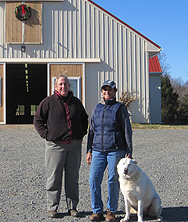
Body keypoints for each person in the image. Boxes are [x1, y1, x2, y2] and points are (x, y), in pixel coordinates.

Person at [34, 75, 88, 218]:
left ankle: (73, 207)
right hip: (55, 146)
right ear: (55, 86)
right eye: (60, 84)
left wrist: (81, 133)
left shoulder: (76, 103)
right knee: (54, 177)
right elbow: (38, 120)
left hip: (74, 146)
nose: (63, 87)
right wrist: (46, 134)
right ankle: (53, 208)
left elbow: (84, 119)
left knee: (72, 178)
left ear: (70, 86)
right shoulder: (48, 102)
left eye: (66, 84)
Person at [86, 80, 133, 222]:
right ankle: (97, 210)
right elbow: (91, 131)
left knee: (113, 179)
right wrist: (89, 150)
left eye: (110, 90)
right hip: (98, 150)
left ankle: (111, 211)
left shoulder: (120, 108)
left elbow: (127, 130)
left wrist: (129, 152)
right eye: (104, 90)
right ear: (102, 92)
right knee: (93, 179)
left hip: (116, 150)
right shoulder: (97, 108)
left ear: (114, 91)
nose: (107, 93)